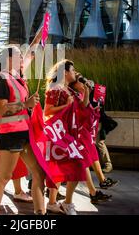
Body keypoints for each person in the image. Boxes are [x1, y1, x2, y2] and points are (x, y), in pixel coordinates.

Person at [0, 44, 46, 215]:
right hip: (10, 135)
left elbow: (30, 55)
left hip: (25, 133)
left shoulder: (18, 79)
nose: (22, 59)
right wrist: (25, 104)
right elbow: (0, 109)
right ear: (9, 59)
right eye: (19, 56)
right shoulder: (1, 80)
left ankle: (40, 213)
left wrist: (30, 104)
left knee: (39, 173)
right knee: (3, 178)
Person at [44, 59, 85, 215]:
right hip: (58, 135)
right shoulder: (56, 89)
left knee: (61, 168)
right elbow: (47, 111)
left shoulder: (68, 90)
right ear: (66, 72)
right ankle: (65, 203)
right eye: (73, 70)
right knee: (75, 166)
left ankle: (53, 202)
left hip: (67, 135)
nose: (74, 73)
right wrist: (66, 105)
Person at [68, 73, 112, 204]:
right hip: (77, 134)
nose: (83, 82)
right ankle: (54, 197)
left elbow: (86, 109)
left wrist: (92, 98)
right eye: (80, 80)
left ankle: (95, 190)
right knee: (82, 163)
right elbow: (81, 111)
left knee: (86, 161)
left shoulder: (81, 95)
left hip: (84, 134)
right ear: (74, 84)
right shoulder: (72, 96)